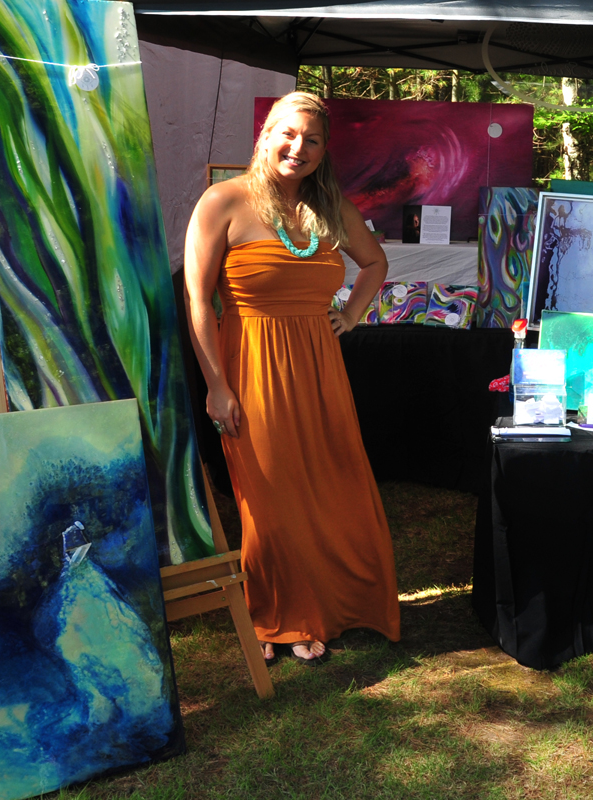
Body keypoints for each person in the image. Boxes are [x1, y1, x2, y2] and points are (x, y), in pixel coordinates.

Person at [183, 91, 400, 664]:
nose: (298, 147)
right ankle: (279, 615)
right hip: (251, 368)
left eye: (312, 140)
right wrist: (217, 385)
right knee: (271, 496)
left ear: (324, 151)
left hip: (320, 368)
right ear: (267, 135)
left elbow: (375, 262)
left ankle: (331, 603)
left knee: (330, 486)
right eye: (289, 133)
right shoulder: (222, 201)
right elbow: (198, 300)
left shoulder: (330, 206)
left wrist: (350, 314)